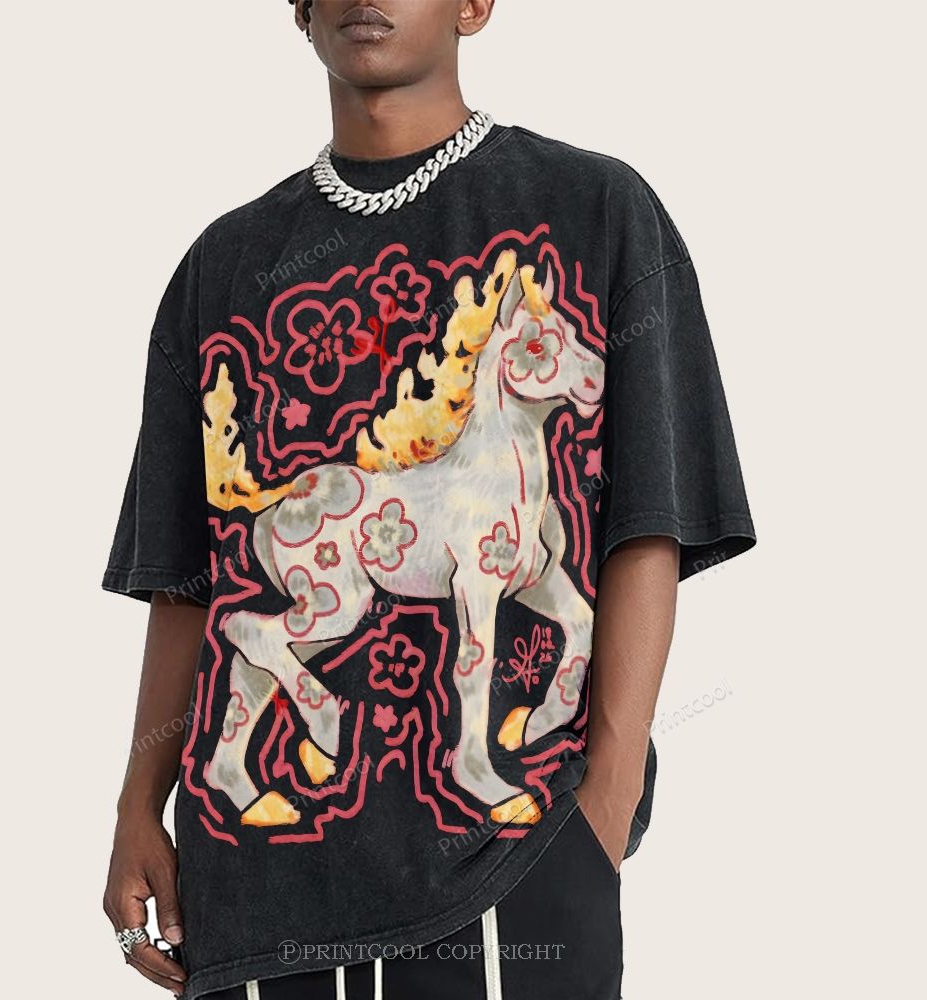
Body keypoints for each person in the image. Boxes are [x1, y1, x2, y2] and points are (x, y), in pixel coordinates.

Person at [101, 2, 756, 998]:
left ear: (474, 4)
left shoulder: (597, 211)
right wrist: (137, 806)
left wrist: (604, 803)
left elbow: (649, 526)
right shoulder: (221, 266)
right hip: (254, 899)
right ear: (299, 10)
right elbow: (188, 583)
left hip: (516, 874)